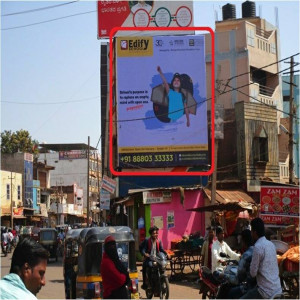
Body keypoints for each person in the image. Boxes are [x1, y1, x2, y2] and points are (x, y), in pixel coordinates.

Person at [240, 218, 282, 299]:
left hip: (265, 291)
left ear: (255, 232)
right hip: (277, 289)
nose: (251, 233)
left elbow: (253, 273)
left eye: (251, 231)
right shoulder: (271, 245)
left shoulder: (258, 247)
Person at [225, 229, 256, 299]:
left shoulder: (246, 255)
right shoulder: (256, 250)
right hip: (258, 285)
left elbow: (239, 278)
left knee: (231, 293)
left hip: (250, 287)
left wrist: (225, 276)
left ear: (244, 241)